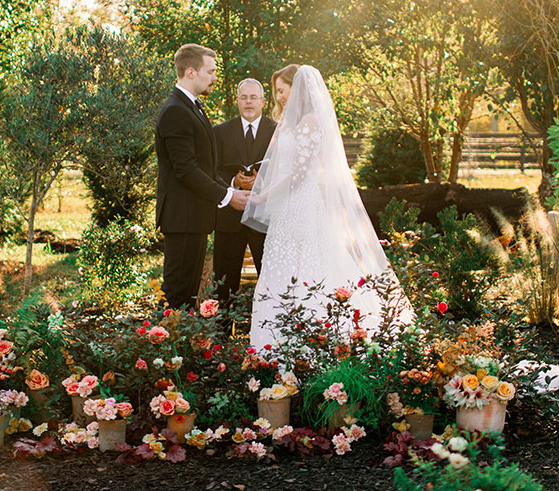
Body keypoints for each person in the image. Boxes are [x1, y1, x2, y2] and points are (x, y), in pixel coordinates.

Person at [242, 64, 414, 351]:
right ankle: (276, 345)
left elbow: (299, 173)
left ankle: (320, 340)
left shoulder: (310, 121)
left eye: (282, 91)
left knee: (308, 266)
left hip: (302, 206)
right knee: (279, 267)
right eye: (276, 93)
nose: (279, 98)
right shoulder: (290, 123)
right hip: (285, 210)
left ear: (298, 89)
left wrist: (262, 195)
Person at [155, 44, 249, 309]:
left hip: (194, 217)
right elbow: (185, 169)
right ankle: (169, 346)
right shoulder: (176, 110)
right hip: (182, 218)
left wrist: (230, 190)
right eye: (210, 71)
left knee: (187, 294)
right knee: (178, 293)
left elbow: (204, 166)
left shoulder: (192, 107)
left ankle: (180, 345)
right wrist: (228, 195)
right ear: (191, 72)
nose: (214, 78)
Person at [213, 78, 277, 314]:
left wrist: (261, 181)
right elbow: (212, 169)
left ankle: (272, 333)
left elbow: (285, 170)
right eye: (244, 97)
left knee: (271, 278)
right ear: (237, 101)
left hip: (265, 218)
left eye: (253, 97)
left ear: (263, 101)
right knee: (223, 281)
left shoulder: (278, 130)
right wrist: (234, 182)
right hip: (230, 217)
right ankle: (220, 338)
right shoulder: (219, 132)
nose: (248, 102)